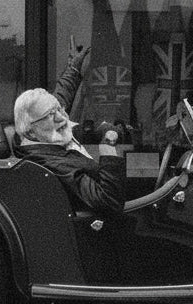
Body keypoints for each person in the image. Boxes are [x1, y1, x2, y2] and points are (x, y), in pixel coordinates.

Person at [13, 40, 125, 215]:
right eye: (50, 115)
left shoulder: (45, 133)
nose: (61, 118)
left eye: (59, 110)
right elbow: (108, 202)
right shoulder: (55, 164)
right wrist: (108, 151)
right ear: (30, 132)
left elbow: (61, 96)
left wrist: (73, 68)